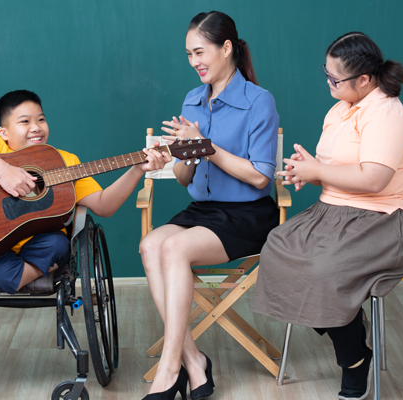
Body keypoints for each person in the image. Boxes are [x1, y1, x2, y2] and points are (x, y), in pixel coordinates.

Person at [253, 32, 403, 399]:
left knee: (325, 271)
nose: (329, 83)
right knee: (278, 246)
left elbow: (374, 179)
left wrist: (318, 173)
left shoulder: (386, 113)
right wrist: (305, 169)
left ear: (365, 80)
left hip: (391, 220)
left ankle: (355, 360)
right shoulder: (341, 108)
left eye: (335, 79)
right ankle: (348, 321)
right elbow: (333, 164)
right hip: (336, 213)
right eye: (327, 74)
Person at [138, 11, 280, 400]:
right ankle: (194, 360)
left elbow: (259, 177)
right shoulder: (192, 99)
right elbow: (185, 179)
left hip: (247, 215)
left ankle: (170, 369)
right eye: (188, 54)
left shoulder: (258, 101)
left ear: (226, 48)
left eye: (200, 52)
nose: (194, 62)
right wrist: (176, 157)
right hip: (203, 212)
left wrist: (205, 146)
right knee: (151, 244)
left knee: (174, 247)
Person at [0, 89, 171, 295]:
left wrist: (137, 169)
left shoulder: (64, 161)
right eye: (24, 122)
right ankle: (37, 271)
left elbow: (103, 205)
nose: (36, 127)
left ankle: (31, 270)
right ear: (4, 132)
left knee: (58, 243)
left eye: (41, 119)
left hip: (41, 244)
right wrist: (2, 170)